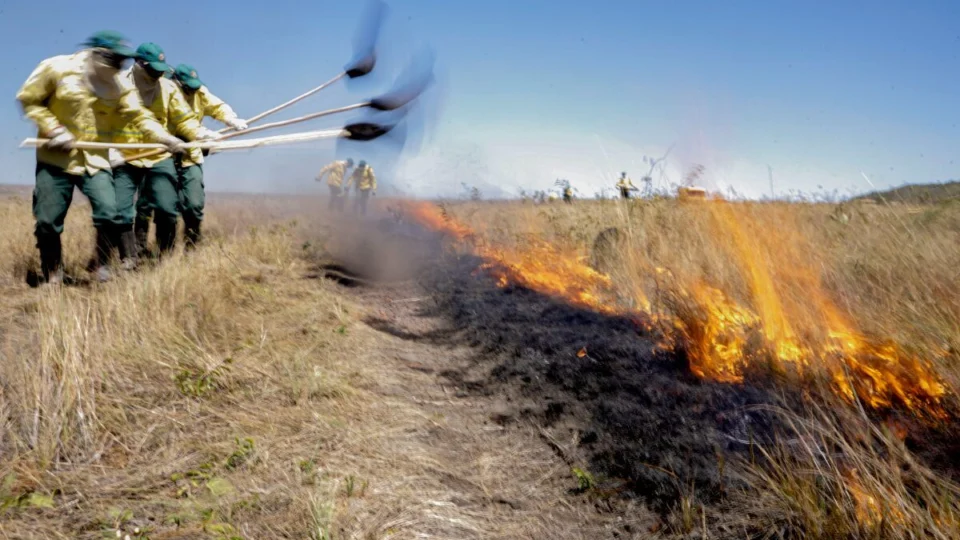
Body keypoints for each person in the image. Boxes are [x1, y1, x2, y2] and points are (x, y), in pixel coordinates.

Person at [15, 30, 188, 285]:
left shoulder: (118, 86)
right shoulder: (56, 68)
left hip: (94, 160)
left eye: (123, 62)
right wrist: (53, 128)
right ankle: (53, 272)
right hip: (56, 159)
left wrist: (165, 138)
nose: (120, 66)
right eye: (116, 60)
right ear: (99, 55)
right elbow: (29, 100)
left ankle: (102, 264)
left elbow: (139, 116)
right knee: (48, 221)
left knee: (110, 212)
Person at [111, 43, 220, 266]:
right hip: (125, 156)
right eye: (154, 70)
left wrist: (201, 134)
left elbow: (184, 119)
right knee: (122, 210)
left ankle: (164, 258)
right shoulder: (118, 84)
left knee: (167, 208)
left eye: (162, 70)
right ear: (139, 64)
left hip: (159, 156)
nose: (158, 74)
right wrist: (108, 148)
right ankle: (129, 258)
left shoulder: (168, 88)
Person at [156, 63, 247, 250]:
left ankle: (192, 246)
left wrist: (230, 118)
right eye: (188, 86)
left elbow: (216, 106)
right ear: (177, 82)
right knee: (165, 207)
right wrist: (200, 134)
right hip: (163, 156)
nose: (192, 90)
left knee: (194, 205)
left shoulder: (199, 91)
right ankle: (165, 251)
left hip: (191, 155)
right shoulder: (164, 92)